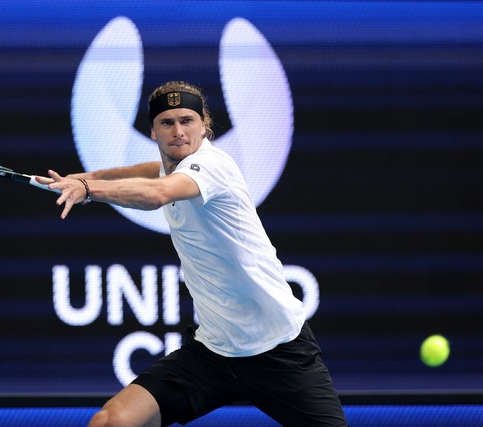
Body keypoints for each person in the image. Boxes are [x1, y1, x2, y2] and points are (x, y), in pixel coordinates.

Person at [36, 81, 347, 427]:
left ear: (204, 126)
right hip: (212, 353)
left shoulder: (212, 166)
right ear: (153, 132)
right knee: (111, 422)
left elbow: (158, 193)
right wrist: (75, 180)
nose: (178, 131)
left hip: (279, 350)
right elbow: (139, 172)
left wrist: (88, 189)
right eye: (166, 123)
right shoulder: (166, 165)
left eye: (187, 120)